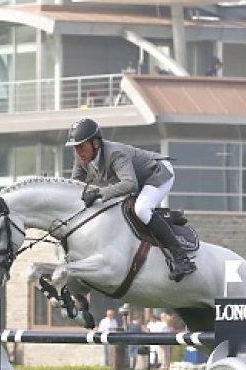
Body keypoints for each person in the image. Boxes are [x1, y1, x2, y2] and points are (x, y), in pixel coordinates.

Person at [66, 118, 196, 281]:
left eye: (81, 146)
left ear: (96, 143)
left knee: (141, 209)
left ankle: (182, 258)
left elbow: (130, 184)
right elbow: (75, 186)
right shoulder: (82, 158)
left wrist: (98, 193)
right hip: (139, 180)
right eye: (75, 147)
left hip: (158, 173)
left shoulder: (115, 153)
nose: (78, 151)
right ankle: (165, 218)